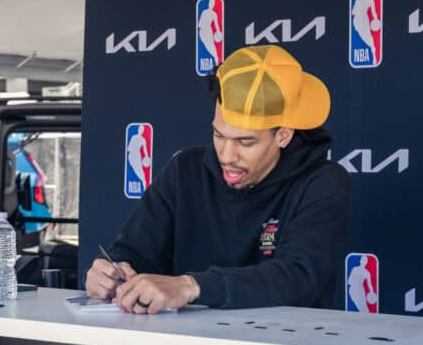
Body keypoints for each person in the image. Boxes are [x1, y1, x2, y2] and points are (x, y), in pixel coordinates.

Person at [85, 44, 351, 313]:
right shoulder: (184, 170)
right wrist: (111, 273)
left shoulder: (322, 182)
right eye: (219, 136)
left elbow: (297, 277)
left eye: (245, 142)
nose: (227, 155)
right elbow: (133, 252)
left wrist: (191, 287)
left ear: (283, 135)